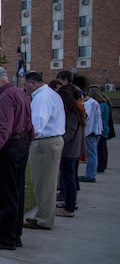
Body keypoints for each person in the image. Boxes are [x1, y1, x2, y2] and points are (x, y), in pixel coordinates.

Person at [0, 65, 34, 250]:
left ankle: (5, 237)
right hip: (21, 145)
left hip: (7, 147)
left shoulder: (5, 98)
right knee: (17, 190)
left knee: (5, 193)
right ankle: (15, 233)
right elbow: (29, 125)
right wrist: (27, 143)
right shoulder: (21, 94)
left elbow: (4, 131)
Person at [22, 71, 65, 231]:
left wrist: (25, 140)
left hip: (44, 143)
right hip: (50, 141)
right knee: (45, 183)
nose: (24, 88)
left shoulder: (42, 98)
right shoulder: (50, 94)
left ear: (33, 83)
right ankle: (43, 216)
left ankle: (43, 219)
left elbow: (37, 124)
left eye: (25, 84)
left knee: (44, 183)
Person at [56, 85, 85, 218]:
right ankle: (68, 203)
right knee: (68, 178)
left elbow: (70, 132)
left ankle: (69, 207)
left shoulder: (72, 113)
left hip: (69, 151)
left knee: (69, 179)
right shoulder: (74, 111)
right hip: (70, 150)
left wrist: (59, 141)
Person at [80, 90, 103, 183]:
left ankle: (90, 175)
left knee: (91, 155)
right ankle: (90, 174)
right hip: (96, 130)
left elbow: (86, 116)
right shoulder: (94, 102)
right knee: (93, 154)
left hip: (91, 131)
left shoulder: (88, 104)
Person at [88, 88, 113, 173]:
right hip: (105, 128)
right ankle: (102, 165)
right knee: (102, 149)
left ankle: (100, 167)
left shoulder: (100, 106)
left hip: (101, 129)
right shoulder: (105, 104)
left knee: (99, 149)